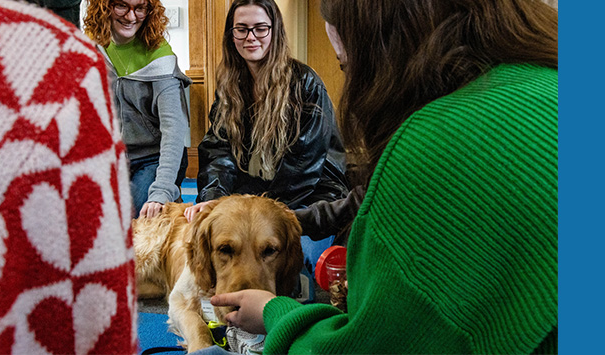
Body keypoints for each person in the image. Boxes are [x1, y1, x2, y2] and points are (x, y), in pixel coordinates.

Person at [204, 0, 559, 354]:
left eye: (346, 66)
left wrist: (274, 312)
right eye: (241, 28)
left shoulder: (428, 146)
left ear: (385, 55)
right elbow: (217, 151)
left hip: (304, 198)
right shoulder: (552, 83)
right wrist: (221, 201)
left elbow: (364, 347)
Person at [0, 0, 137, 353]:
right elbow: (100, 309)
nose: (131, 16)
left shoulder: (156, 62)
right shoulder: (67, 61)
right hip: (85, 143)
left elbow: (174, 134)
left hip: (132, 156)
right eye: (123, 6)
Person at [183, 0, 350, 222]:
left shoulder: (306, 84)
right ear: (231, 36)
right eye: (241, 29)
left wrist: (254, 211)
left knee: (271, 251)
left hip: (311, 199)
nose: (251, 37)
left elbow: (303, 168)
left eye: (261, 28)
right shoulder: (230, 86)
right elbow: (218, 151)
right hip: (254, 198)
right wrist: (216, 199)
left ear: (275, 32)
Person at [84, 0, 192, 219]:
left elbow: (174, 129)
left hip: (156, 156)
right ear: (104, 7)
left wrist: (161, 190)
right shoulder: (92, 49)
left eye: (140, 8)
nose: (131, 17)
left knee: (130, 216)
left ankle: (171, 196)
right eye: (121, 6)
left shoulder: (160, 56)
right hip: (116, 158)